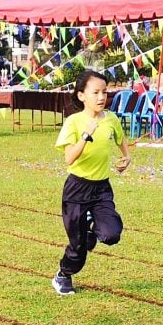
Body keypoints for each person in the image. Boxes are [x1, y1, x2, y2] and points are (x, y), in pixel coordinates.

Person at [51, 70, 131, 296]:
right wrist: (85, 136)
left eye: (104, 92)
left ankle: (91, 225)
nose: (101, 97)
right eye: (95, 92)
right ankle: (63, 275)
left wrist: (126, 156)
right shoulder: (74, 122)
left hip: (101, 188)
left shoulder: (111, 119)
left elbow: (120, 138)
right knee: (78, 249)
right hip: (77, 189)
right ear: (81, 96)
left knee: (111, 233)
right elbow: (69, 158)